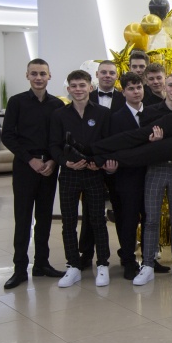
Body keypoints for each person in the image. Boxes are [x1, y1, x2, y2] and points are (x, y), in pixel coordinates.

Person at [2, 58, 65, 289]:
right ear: (27, 75)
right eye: (34, 73)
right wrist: (30, 160)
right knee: (23, 218)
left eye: (42, 73)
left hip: (49, 167)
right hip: (25, 167)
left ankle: (41, 264)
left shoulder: (57, 105)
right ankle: (20, 269)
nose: (38, 77)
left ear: (50, 76)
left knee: (45, 218)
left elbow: (60, 138)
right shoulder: (16, 102)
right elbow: (8, 136)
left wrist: (52, 161)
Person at [133, 73, 172, 285]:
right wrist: (153, 142)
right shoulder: (150, 112)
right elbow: (140, 141)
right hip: (155, 169)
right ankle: (148, 264)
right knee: (151, 219)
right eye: (171, 85)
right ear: (165, 87)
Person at [50, 70, 113, 287]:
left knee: (97, 220)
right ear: (68, 89)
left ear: (90, 87)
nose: (78, 89)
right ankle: (73, 266)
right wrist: (64, 162)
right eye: (74, 86)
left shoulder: (103, 113)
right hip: (69, 174)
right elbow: (53, 145)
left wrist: (98, 161)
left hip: (94, 174)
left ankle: (103, 264)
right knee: (68, 222)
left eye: (82, 85)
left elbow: (108, 142)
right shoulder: (59, 115)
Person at [108, 71, 165, 279]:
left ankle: (150, 259)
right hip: (128, 176)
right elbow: (116, 147)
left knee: (151, 219)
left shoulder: (154, 114)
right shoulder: (116, 118)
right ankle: (129, 261)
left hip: (152, 174)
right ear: (123, 92)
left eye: (139, 87)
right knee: (129, 219)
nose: (136, 92)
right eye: (131, 89)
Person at [79, 60, 125, 269]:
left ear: (117, 76)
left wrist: (114, 161)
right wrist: (93, 161)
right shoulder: (85, 98)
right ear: (96, 75)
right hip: (92, 164)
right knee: (90, 211)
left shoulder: (125, 98)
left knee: (121, 210)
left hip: (117, 164)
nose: (107, 75)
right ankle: (86, 254)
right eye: (104, 72)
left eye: (111, 73)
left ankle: (126, 254)